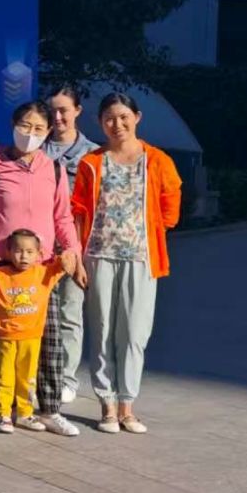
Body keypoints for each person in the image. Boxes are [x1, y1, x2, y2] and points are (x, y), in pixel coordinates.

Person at [0, 100, 84, 436]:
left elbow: (62, 217)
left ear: (47, 132)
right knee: (3, 345)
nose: (30, 133)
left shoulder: (54, 169)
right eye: (24, 125)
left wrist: (72, 251)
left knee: (49, 340)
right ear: (13, 125)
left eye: (38, 128)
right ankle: (4, 410)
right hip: (1, 268)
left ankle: (48, 410)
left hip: (41, 269)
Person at [72, 92, 182, 434]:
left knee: (134, 332)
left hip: (141, 258)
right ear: (100, 123)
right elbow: (78, 210)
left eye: (123, 117)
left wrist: (152, 228)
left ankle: (127, 405)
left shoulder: (157, 160)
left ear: (137, 117)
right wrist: (77, 258)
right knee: (103, 329)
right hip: (99, 256)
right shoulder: (92, 162)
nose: (116, 124)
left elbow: (172, 202)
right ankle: (107, 405)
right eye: (109, 118)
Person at [0, 229, 72, 433]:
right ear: (8, 252)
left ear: (39, 254)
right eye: (18, 251)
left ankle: (25, 413)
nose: (23, 256)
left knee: (28, 378)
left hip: (32, 338)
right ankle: (3, 413)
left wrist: (65, 256)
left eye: (29, 252)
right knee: (4, 376)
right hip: (5, 338)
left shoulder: (43, 273)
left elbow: (61, 267)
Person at [42, 86, 98, 405]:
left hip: (74, 246)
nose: (57, 117)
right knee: (35, 314)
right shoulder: (35, 150)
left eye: (64, 110)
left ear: (77, 110)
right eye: (52, 110)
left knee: (69, 313)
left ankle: (66, 379)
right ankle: (39, 376)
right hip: (37, 248)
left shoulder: (93, 155)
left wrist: (81, 254)